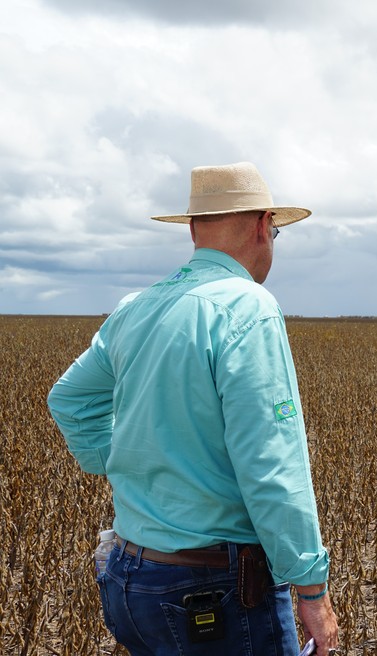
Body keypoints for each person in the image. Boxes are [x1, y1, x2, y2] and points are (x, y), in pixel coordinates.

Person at [47, 162, 339, 655]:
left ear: (192, 228)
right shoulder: (249, 306)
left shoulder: (135, 307)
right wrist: (311, 589)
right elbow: (272, 464)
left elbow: (70, 398)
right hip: (212, 591)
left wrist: (120, 459)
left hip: (128, 579)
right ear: (266, 224)